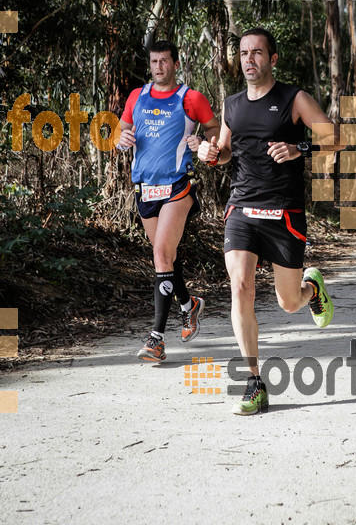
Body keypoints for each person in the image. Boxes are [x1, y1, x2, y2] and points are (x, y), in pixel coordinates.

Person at [198, 27, 338, 415]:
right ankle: (253, 382)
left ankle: (312, 288)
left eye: (257, 52)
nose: (249, 59)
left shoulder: (294, 99)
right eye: (244, 53)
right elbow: (226, 153)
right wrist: (211, 153)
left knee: (288, 302)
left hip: (284, 212)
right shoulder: (232, 105)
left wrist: (300, 148)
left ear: (272, 59)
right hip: (242, 207)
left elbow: (334, 137)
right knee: (240, 285)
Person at [117, 40, 220, 362]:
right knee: (166, 260)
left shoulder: (191, 99)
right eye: (154, 62)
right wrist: (121, 140)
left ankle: (156, 339)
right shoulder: (137, 96)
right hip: (144, 188)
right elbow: (120, 134)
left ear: (175, 64)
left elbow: (216, 132)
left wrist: (203, 141)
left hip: (177, 186)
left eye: (164, 61)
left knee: (161, 254)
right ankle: (190, 305)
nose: (159, 67)